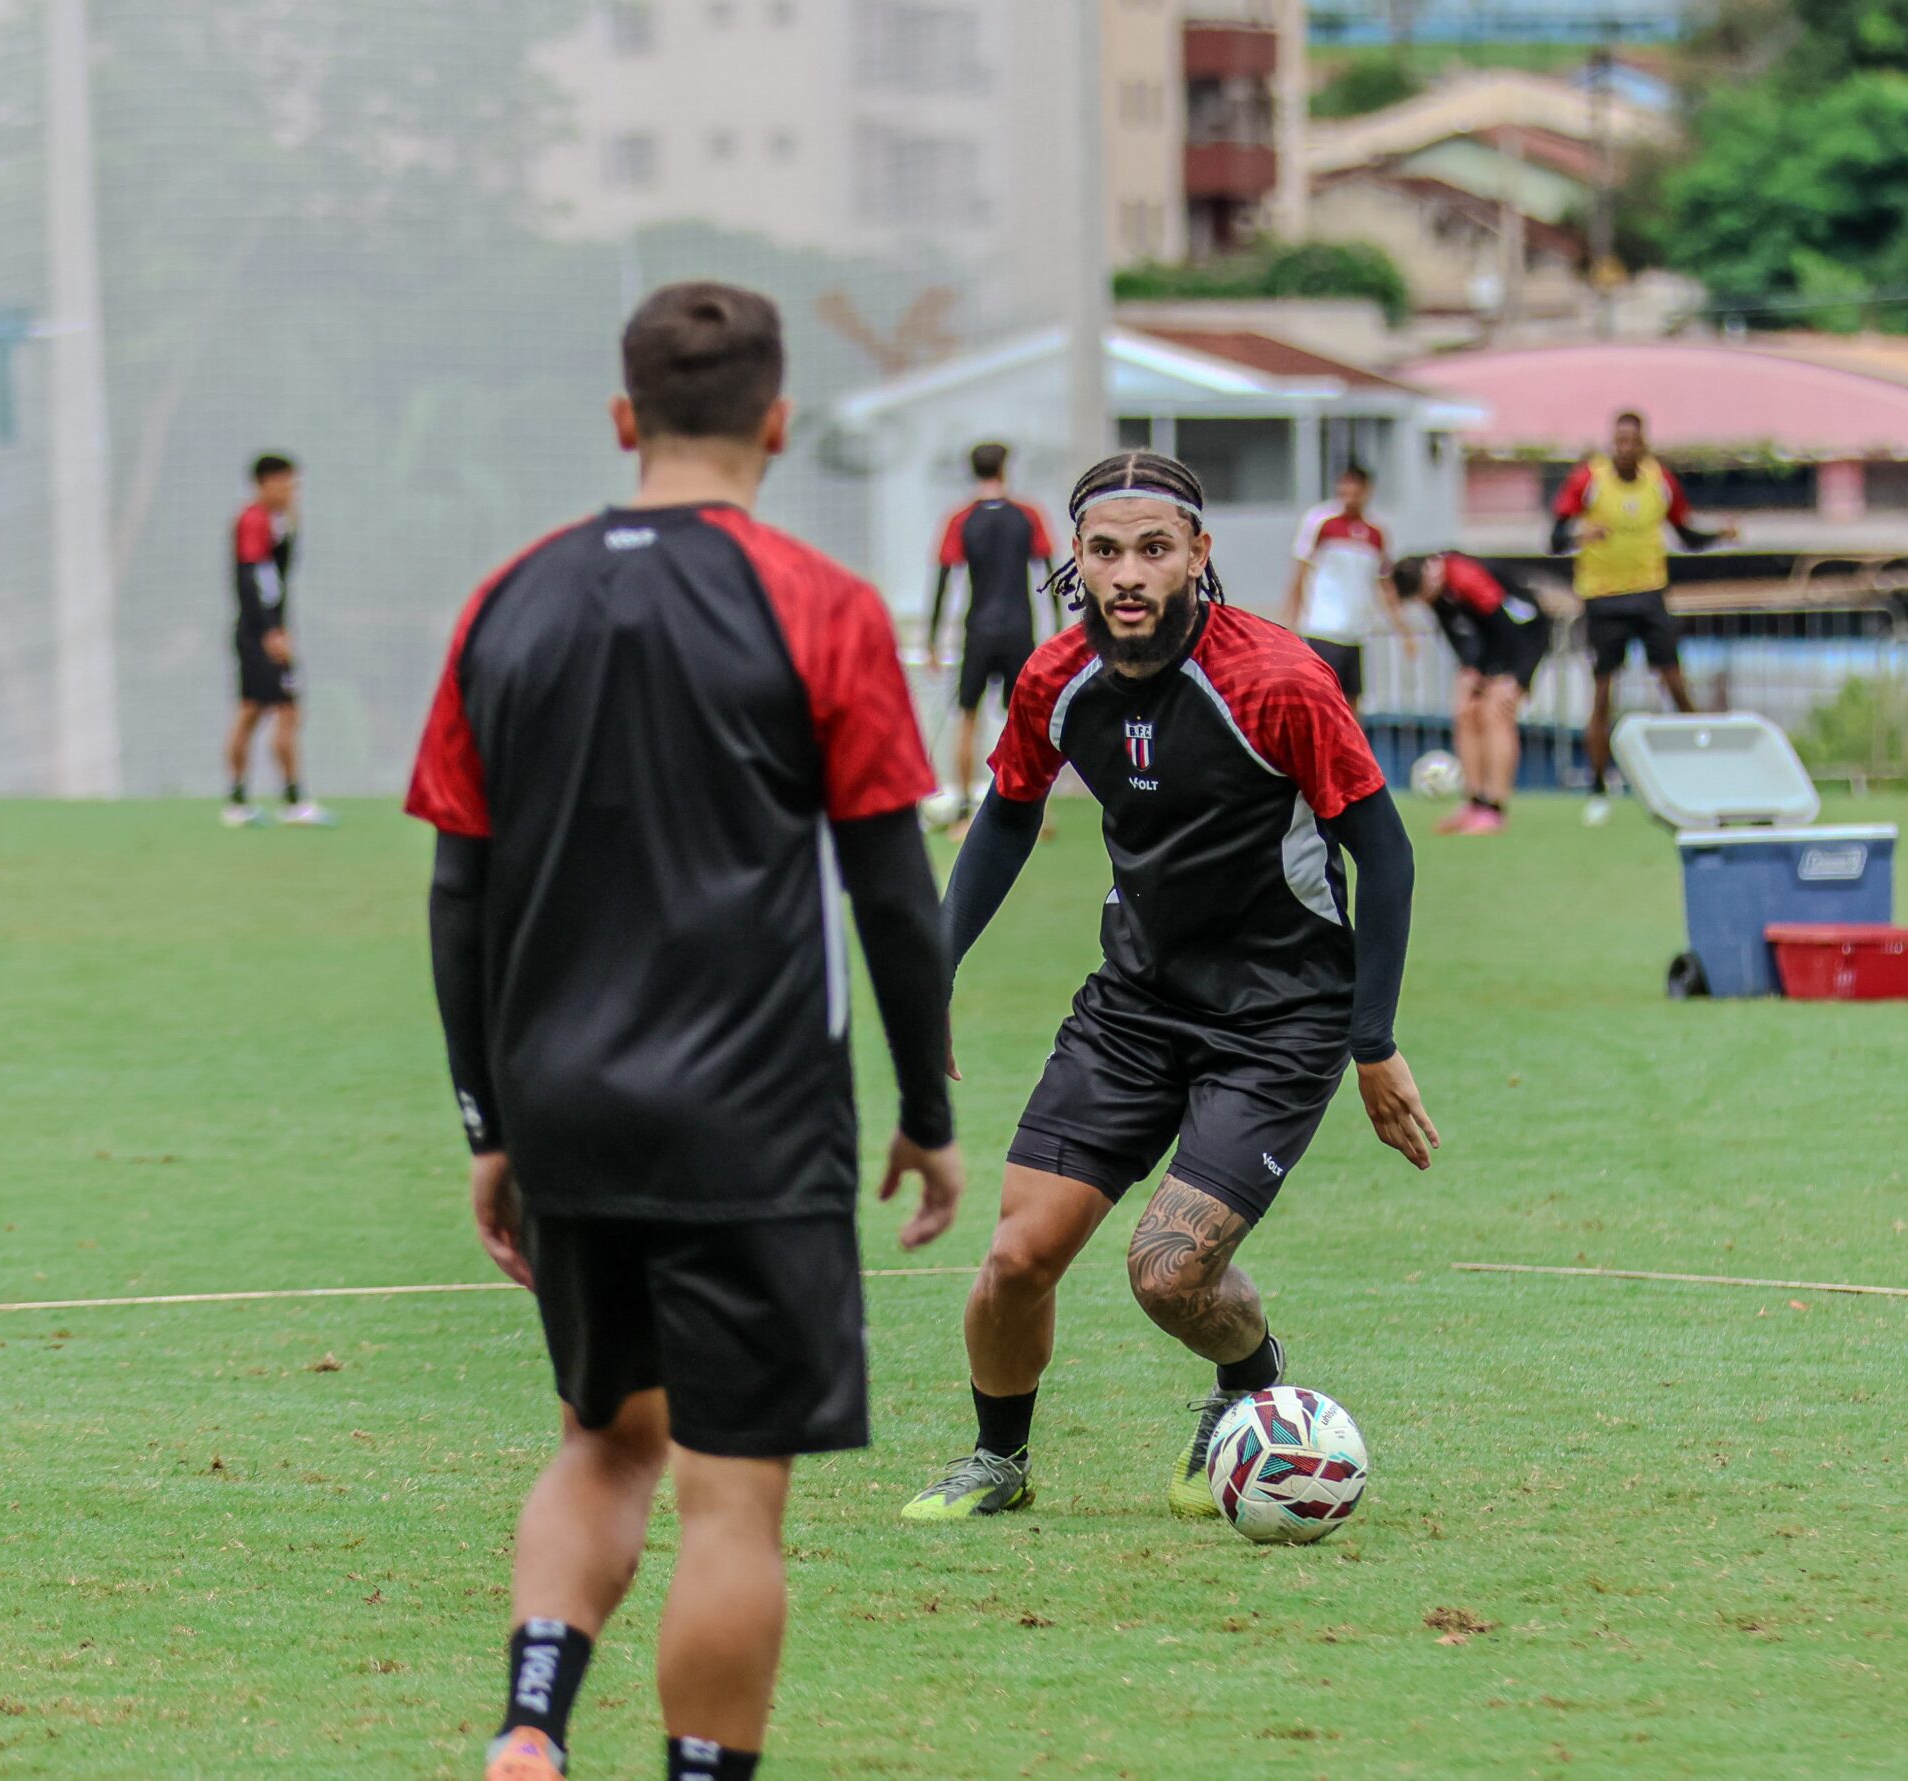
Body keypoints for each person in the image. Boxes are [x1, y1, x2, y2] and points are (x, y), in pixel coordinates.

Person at [405, 282, 965, 1781]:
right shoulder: (825, 606)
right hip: (753, 1124)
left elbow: (457, 892)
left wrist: (491, 1124)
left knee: (605, 1436)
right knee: (731, 1499)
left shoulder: (506, 599)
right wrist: (930, 1105)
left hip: (565, 1111)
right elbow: (896, 895)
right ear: (778, 423)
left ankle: (530, 1724)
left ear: (622, 417)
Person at [901, 449, 1439, 1525]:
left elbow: (1384, 854)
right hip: (1134, 1004)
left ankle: (1250, 1386)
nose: (1130, 573)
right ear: (1079, 562)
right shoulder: (1056, 678)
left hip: (1281, 1017)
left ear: (1199, 554)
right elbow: (1007, 812)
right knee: (1017, 1256)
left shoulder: (1277, 681)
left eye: (1155, 548)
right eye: (1106, 551)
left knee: (1167, 1272)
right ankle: (998, 1459)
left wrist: (1371, 1043)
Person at [1548, 411, 1736, 824]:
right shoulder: (1589, 481)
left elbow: (1685, 535)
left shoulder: (1660, 481)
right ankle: (1598, 787)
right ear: (1611, 443)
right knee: (1602, 694)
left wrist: (1719, 534)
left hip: (1649, 595)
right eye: (1619, 441)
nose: (1626, 449)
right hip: (1603, 598)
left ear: (1643, 444)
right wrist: (1579, 534)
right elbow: (1555, 537)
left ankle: (1707, 776)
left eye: (1633, 441)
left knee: (1676, 686)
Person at [927, 441, 1056, 836]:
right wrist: (1060, 632)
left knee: (967, 717)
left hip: (978, 629)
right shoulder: (1028, 515)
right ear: (1005, 469)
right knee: (1027, 724)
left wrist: (935, 639)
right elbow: (1049, 576)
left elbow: (944, 581)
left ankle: (965, 812)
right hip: (1020, 627)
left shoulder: (960, 519)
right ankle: (1035, 813)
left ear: (973, 471)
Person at [1389, 552, 1552, 836]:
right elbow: (1463, 635)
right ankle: (1474, 803)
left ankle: (1495, 809)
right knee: (1465, 711)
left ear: (1430, 575)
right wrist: (1470, 671)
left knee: (1496, 712)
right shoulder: (1436, 592)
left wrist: (1514, 679)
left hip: (1523, 641)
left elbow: (1507, 628)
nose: (1423, 602)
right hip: (1494, 644)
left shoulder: (1465, 576)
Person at [224, 453, 332, 827]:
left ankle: (245, 802)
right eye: (286, 483)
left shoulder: (273, 522)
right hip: (261, 634)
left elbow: (280, 573)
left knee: (261, 710)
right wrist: (271, 631)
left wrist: (291, 528)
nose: (292, 491)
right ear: (265, 483)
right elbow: (253, 581)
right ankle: (287, 801)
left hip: (264, 631)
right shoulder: (252, 521)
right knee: (275, 710)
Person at [1283, 463, 1400, 707]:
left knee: (1352, 701)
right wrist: (1290, 622)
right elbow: (1301, 573)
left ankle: (1349, 745)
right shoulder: (1321, 521)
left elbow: (1383, 583)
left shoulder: (1376, 532)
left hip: (1355, 631)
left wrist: (1401, 626)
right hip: (1323, 627)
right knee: (1325, 698)